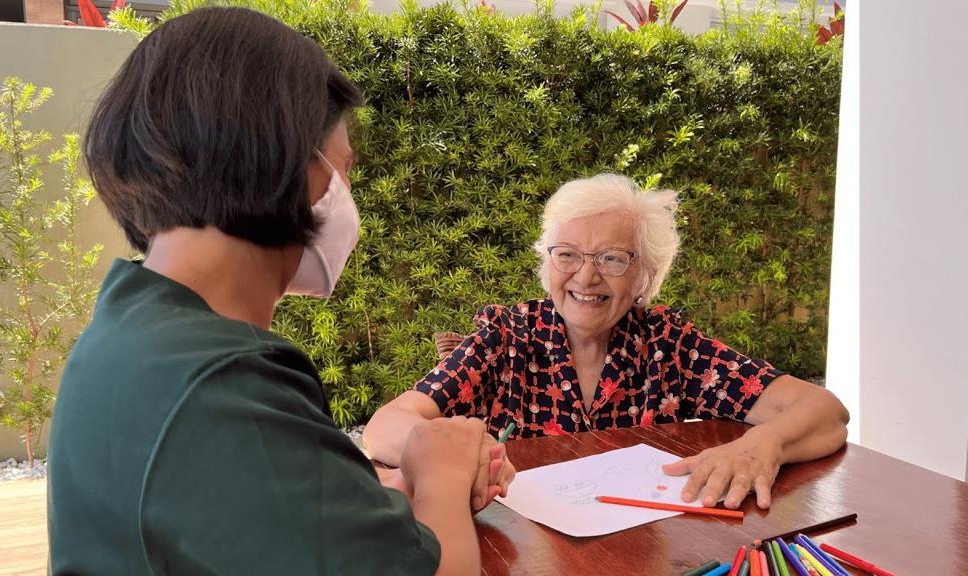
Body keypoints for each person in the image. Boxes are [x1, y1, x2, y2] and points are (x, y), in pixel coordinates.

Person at [47, 7, 505, 574]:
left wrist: (395, 489)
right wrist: (443, 471)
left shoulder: (133, 334)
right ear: (292, 162)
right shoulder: (223, 385)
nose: (347, 192)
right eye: (345, 169)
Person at [364, 173, 849, 511]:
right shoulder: (506, 337)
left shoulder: (670, 346)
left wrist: (763, 445)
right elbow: (384, 427)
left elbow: (826, 413)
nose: (587, 276)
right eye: (567, 254)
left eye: (614, 258)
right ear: (547, 262)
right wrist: (456, 452)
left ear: (646, 275)